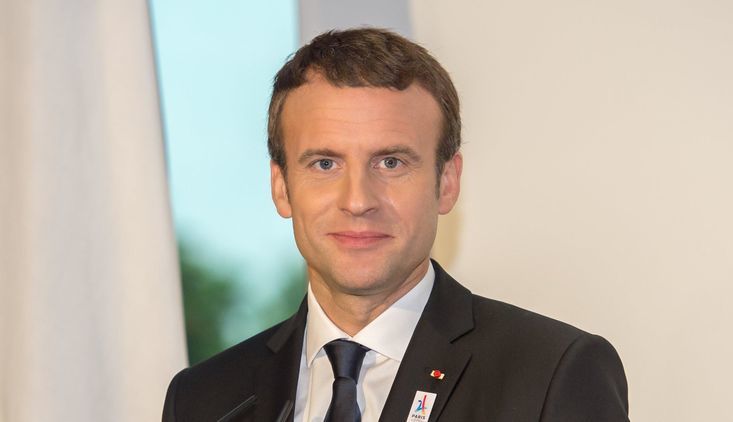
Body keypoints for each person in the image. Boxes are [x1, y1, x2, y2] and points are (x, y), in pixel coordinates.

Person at [162, 28, 629, 422]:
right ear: (282, 187)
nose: (358, 201)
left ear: (446, 183)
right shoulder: (203, 399)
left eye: (390, 162)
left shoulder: (551, 374)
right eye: (325, 164)